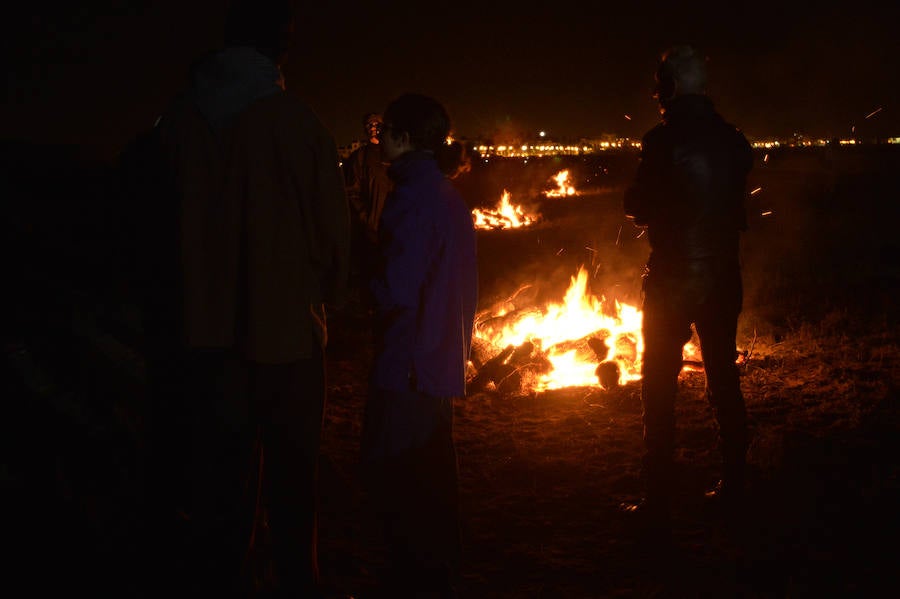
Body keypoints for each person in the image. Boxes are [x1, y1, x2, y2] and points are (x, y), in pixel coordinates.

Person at [139, 1, 350, 596]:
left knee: (221, 485)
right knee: (292, 485)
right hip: (286, 337)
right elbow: (334, 236)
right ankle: (294, 584)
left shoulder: (177, 122)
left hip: (204, 336)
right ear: (279, 49)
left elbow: (151, 228)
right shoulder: (296, 122)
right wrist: (326, 297)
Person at [621, 45, 754, 530]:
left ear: (668, 86)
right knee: (723, 376)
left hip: (673, 277)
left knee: (658, 385)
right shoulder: (735, 140)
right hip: (722, 276)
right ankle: (735, 485)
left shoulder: (661, 140)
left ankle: (657, 498)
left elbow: (636, 205)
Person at [359, 93, 478, 598]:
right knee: (432, 482)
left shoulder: (412, 199)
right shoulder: (444, 193)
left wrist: (361, 259)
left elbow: (395, 290)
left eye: (384, 129)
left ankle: (408, 581)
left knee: (398, 481)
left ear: (405, 137)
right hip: (436, 360)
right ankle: (436, 577)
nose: (377, 137)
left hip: (407, 364)